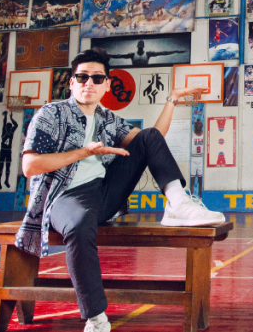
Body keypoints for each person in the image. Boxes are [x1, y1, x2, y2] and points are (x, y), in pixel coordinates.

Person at [18, 48, 224, 332]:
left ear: (106, 84)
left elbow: (152, 140)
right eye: (82, 77)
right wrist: (83, 152)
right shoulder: (51, 114)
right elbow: (30, 166)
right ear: (72, 82)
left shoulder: (106, 118)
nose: (88, 83)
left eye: (96, 78)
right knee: (78, 226)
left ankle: (177, 203)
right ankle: (96, 318)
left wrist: (172, 99)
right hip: (64, 196)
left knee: (148, 136)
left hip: (104, 193)